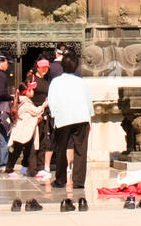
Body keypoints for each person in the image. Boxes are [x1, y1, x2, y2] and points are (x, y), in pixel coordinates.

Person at [47, 51, 93, 200]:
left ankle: (60, 180)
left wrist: (53, 116)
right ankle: (79, 181)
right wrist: (89, 119)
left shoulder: (56, 82)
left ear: (62, 66)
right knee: (81, 150)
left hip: (63, 118)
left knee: (61, 149)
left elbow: (52, 101)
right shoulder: (82, 82)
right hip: (81, 117)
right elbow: (88, 101)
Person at [5, 81, 46, 176]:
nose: (33, 92)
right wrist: (44, 104)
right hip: (22, 132)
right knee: (17, 151)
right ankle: (10, 169)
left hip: (25, 132)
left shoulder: (21, 100)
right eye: (30, 90)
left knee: (28, 150)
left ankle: (28, 169)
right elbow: (36, 111)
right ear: (25, 92)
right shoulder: (26, 103)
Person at [26, 57, 55, 179]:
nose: (45, 70)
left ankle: (41, 167)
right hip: (34, 113)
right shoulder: (32, 79)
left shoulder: (46, 80)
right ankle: (32, 169)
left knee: (43, 141)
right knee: (34, 142)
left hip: (44, 113)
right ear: (37, 67)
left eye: (46, 68)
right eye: (42, 68)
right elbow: (27, 96)